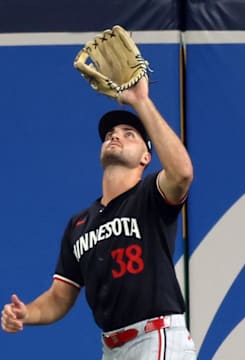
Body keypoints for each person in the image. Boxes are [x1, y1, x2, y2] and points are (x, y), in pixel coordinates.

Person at [1, 77, 196, 359]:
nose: (115, 135)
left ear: (146, 157)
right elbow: (59, 297)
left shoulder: (149, 196)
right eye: (110, 134)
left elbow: (182, 173)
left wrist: (141, 101)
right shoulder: (79, 224)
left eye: (129, 133)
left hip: (156, 337)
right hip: (111, 348)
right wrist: (27, 313)